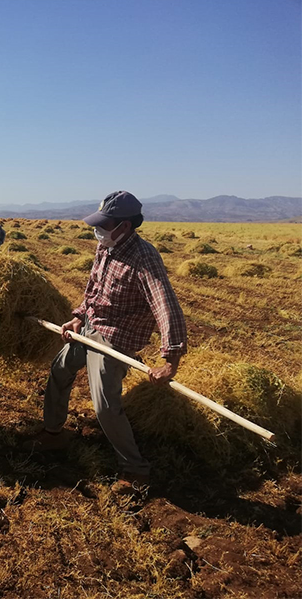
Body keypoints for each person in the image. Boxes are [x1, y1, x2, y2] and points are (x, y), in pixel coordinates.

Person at [33, 191, 186, 495]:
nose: (98, 231)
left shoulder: (144, 258)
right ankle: (53, 432)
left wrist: (171, 360)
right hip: (90, 325)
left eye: (105, 225)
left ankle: (135, 468)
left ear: (126, 226)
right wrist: (78, 316)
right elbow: (93, 288)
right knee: (60, 369)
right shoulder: (107, 246)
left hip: (116, 337)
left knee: (105, 404)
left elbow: (165, 305)